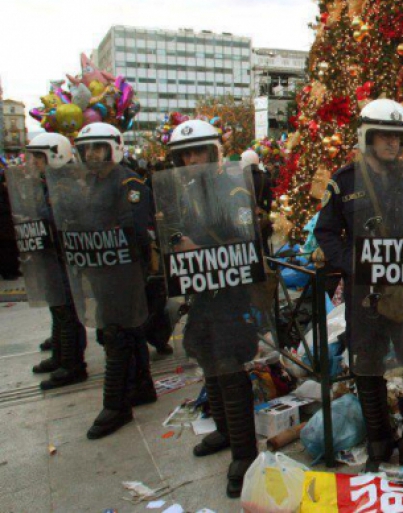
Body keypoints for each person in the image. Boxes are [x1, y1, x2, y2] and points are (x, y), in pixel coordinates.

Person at [316, 99, 403, 472]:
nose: (392, 142)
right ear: (367, 137)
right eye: (384, 135)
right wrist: (353, 265)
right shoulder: (344, 181)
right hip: (367, 295)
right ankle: (379, 442)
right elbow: (326, 232)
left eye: (398, 136)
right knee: (367, 368)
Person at [159, 119, 262, 497]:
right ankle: (224, 429)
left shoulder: (232, 187)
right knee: (206, 355)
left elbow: (245, 239)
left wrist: (198, 249)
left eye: (198, 151)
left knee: (229, 367)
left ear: (213, 152)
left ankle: (245, 455)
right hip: (202, 290)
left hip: (231, 291)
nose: (192, 159)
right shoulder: (187, 189)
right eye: (185, 154)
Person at [53, 123, 157, 439]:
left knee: (116, 333)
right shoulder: (93, 182)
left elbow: (136, 230)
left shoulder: (128, 183)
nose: (91, 154)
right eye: (86, 149)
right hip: (101, 269)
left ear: (114, 147)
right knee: (130, 330)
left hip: (122, 270)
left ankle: (116, 405)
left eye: (98, 147)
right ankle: (141, 385)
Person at [22, 133, 89, 389]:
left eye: (38, 158)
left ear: (53, 156)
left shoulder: (66, 185)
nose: (34, 163)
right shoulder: (49, 182)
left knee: (67, 310)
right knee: (58, 307)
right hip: (53, 256)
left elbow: (61, 218)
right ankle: (61, 356)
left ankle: (72, 364)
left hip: (65, 257)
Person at [0, 170, 20, 280]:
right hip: (4, 225)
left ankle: (13, 269)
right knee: (6, 248)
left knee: (10, 247)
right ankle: (9, 271)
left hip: (7, 225)